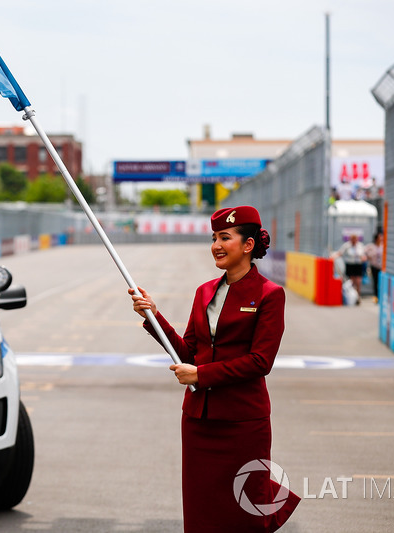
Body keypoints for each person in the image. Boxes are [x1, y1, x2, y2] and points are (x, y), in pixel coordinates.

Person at [128, 205, 300, 532]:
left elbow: (260, 361)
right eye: (214, 238)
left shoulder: (269, 295)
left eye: (225, 237)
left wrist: (201, 376)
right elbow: (188, 353)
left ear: (248, 245)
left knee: (245, 511)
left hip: (242, 422)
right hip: (198, 421)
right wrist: (153, 315)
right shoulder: (204, 292)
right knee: (201, 509)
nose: (216, 245)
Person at [332, 234, 367, 305]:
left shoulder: (360, 246)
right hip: (350, 265)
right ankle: (351, 296)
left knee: (358, 282)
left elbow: (363, 255)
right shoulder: (347, 246)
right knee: (351, 281)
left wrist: (363, 258)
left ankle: (358, 297)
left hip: (358, 265)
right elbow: (340, 253)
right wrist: (333, 257)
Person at [365, 230, 383, 302]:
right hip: (374, 266)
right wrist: (368, 256)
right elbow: (364, 252)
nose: (381, 238)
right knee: (375, 282)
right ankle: (376, 297)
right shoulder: (371, 246)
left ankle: (381, 295)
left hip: (382, 267)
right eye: (379, 237)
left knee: (381, 282)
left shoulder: (383, 246)